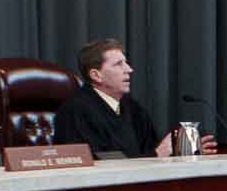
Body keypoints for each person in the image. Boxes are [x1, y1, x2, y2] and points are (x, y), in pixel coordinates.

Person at [54, 38, 213, 159]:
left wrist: (184, 152)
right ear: (96, 75)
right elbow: (99, 164)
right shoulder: (75, 111)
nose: (129, 69)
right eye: (118, 64)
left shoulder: (131, 107)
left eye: (126, 63)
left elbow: (151, 150)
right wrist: (158, 154)